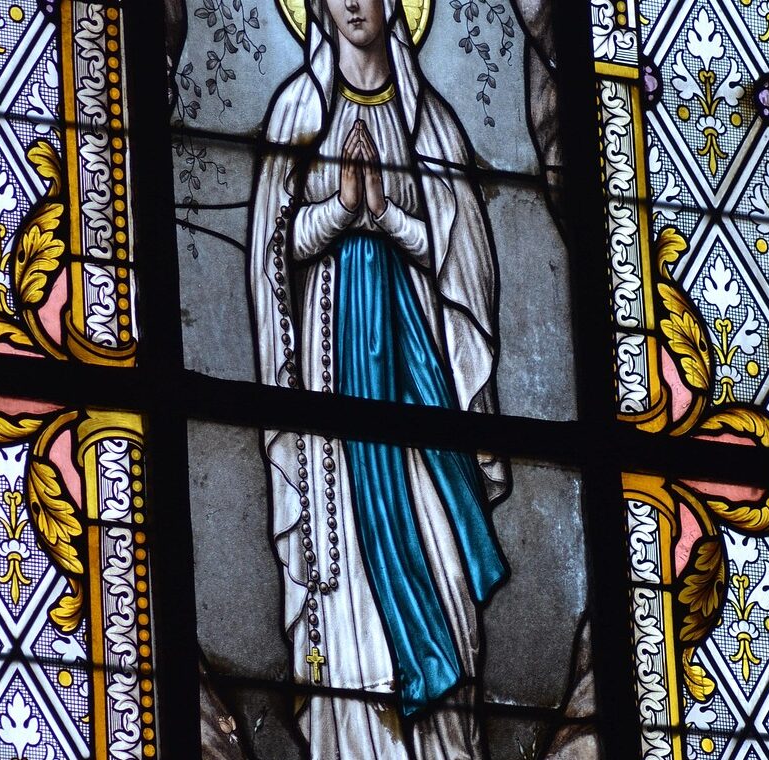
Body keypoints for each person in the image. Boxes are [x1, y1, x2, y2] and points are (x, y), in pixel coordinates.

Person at [247, 0, 510, 753]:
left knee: (443, 561)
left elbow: (463, 264)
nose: (354, 4)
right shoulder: (298, 113)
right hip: (332, 397)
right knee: (350, 591)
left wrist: (387, 217)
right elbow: (272, 251)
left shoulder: (432, 127)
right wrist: (339, 210)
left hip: (421, 383)